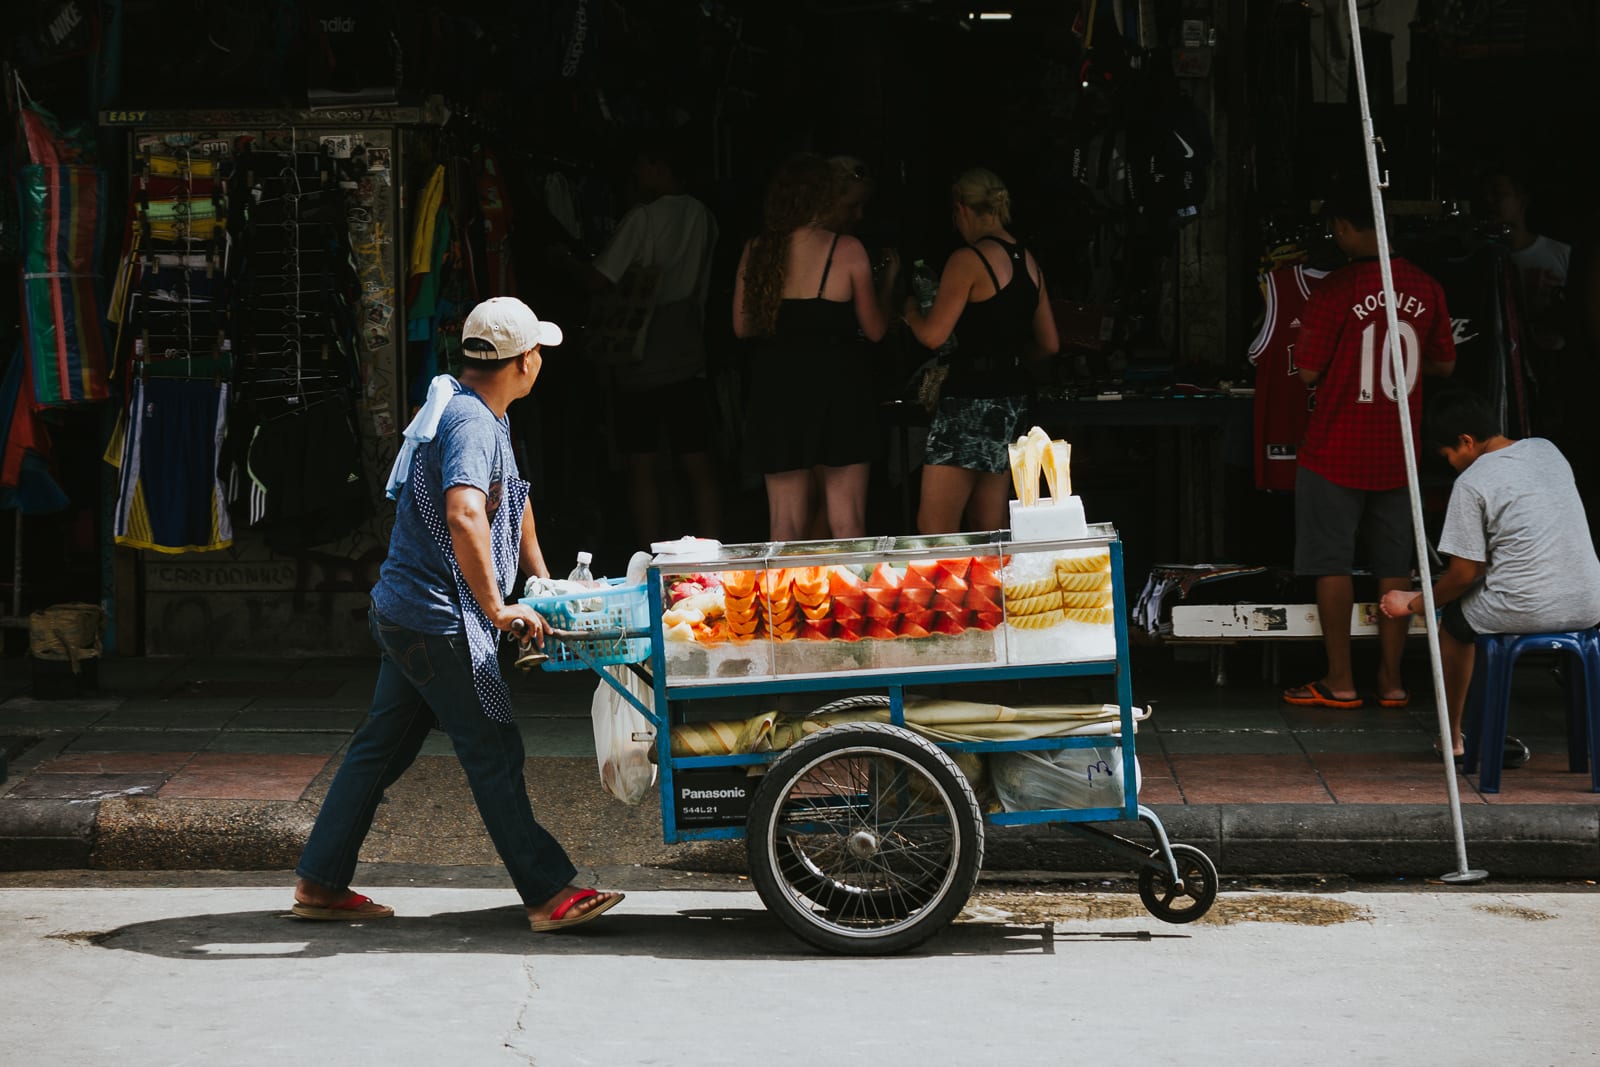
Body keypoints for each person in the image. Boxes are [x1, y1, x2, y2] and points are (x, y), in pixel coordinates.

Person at [291, 297, 623, 933]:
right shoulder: (471, 423)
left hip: (406, 615)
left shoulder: (475, 409)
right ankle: (549, 891)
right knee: (492, 744)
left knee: (380, 750)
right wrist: (498, 607)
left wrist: (541, 580)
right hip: (436, 622)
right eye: (539, 353)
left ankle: (320, 879)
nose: (541, 362)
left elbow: (513, 498)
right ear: (524, 361)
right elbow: (466, 511)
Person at [1282, 186, 1456, 710]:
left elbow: (1308, 370)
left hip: (1334, 448)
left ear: (1343, 227)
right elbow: (1446, 365)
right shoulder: (1426, 286)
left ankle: (1340, 681)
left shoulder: (1335, 290)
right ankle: (1393, 680)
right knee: (1394, 568)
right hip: (1398, 453)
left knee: (1331, 563)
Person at [1379, 388, 1600, 758]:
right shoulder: (1548, 450)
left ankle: (1452, 736)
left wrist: (1415, 602)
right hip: (1589, 602)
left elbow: (1466, 573)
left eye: (1449, 454)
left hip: (1526, 605)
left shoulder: (1471, 482)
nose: (1450, 464)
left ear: (1466, 441)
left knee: (1453, 623)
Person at [559, 133, 721, 547]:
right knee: (697, 462)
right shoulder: (703, 215)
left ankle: (651, 554)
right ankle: (713, 547)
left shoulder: (643, 218)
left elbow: (600, 277)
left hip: (643, 353)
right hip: (688, 346)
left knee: (643, 464)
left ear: (659, 167)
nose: (636, 174)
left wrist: (564, 263)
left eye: (643, 165)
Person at [733, 153, 899, 541]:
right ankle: (850, 601)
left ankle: (786, 603)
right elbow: (875, 331)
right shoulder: (847, 249)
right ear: (822, 198)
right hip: (839, 391)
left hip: (777, 391)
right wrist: (888, 284)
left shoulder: (758, 250)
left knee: (784, 527)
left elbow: (742, 327)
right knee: (847, 523)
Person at [902, 167, 1058, 534]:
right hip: (1012, 398)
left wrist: (909, 310)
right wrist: (1012, 359)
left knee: (935, 527)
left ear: (961, 209)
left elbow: (934, 336)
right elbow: (1050, 343)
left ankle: (948, 593)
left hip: (969, 399)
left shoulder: (968, 259)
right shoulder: (1028, 261)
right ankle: (996, 590)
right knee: (990, 524)